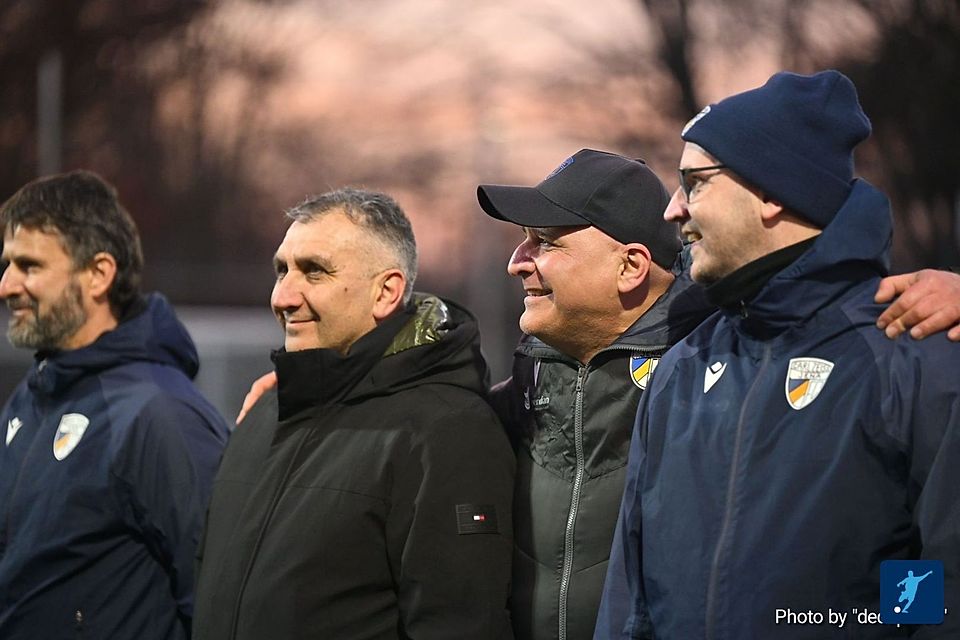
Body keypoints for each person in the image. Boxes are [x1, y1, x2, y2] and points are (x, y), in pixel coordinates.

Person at [598, 70, 960, 639]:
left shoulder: (913, 354)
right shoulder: (681, 370)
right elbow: (632, 604)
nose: (673, 210)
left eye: (694, 183)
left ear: (772, 194)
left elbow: (936, 589)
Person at [192, 188, 515, 640]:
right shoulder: (266, 408)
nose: (283, 297)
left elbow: (459, 625)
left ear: (386, 292)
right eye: (282, 270)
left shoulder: (448, 430)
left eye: (314, 272)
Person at [477, 149, 714, 640]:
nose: (516, 263)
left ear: (631, 266)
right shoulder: (519, 393)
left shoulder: (717, 381)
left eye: (545, 241)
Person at [0, 171, 230, 639]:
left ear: (98, 274)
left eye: (29, 266)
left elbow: (220, 600)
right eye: (7, 265)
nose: (6, 285)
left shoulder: (160, 413)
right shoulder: (32, 396)